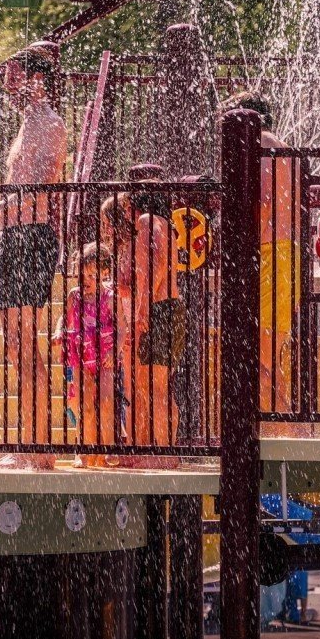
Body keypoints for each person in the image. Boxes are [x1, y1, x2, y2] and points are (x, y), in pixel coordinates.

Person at [0, 50, 67, 469]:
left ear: (37, 79)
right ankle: (31, 442)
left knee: (25, 344)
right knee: (15, 345)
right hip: (14, 237)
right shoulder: (27, 124)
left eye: (13, 77)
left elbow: (39, 188)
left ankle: (39, 448)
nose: (7, 86)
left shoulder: (49, 124)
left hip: (31, 238)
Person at [223, 92, 300, 415]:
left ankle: (270, 431)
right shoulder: (282, 147)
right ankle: (281, 429)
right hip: (285, 253)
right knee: (270, 353)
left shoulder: (263, 145)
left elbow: (264, 201)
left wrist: (240, 238)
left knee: (260, 357)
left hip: (270, 253)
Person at [101, 191, 181, 461]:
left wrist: (142, 311)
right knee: (148, 387)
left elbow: (152, 269)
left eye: (125, 206)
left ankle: (165, 453)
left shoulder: (148, 221)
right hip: (163, 309)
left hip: (157, 310)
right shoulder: (159, 225)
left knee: (156, 387)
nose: (124, 211)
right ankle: (150, 450)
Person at [62, 243, 118, 461]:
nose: (87, 281)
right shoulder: (74, 296)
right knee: (85, 404)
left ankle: (108, 448)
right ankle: (84, 450)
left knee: (105, 402)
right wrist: (59, 331)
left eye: (94, 276)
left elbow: (121, 327)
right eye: (84, 275)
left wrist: (115, 350)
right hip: (80, 356)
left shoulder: (109, 297)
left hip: (105, 356)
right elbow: (64, 319)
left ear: (105, 274)